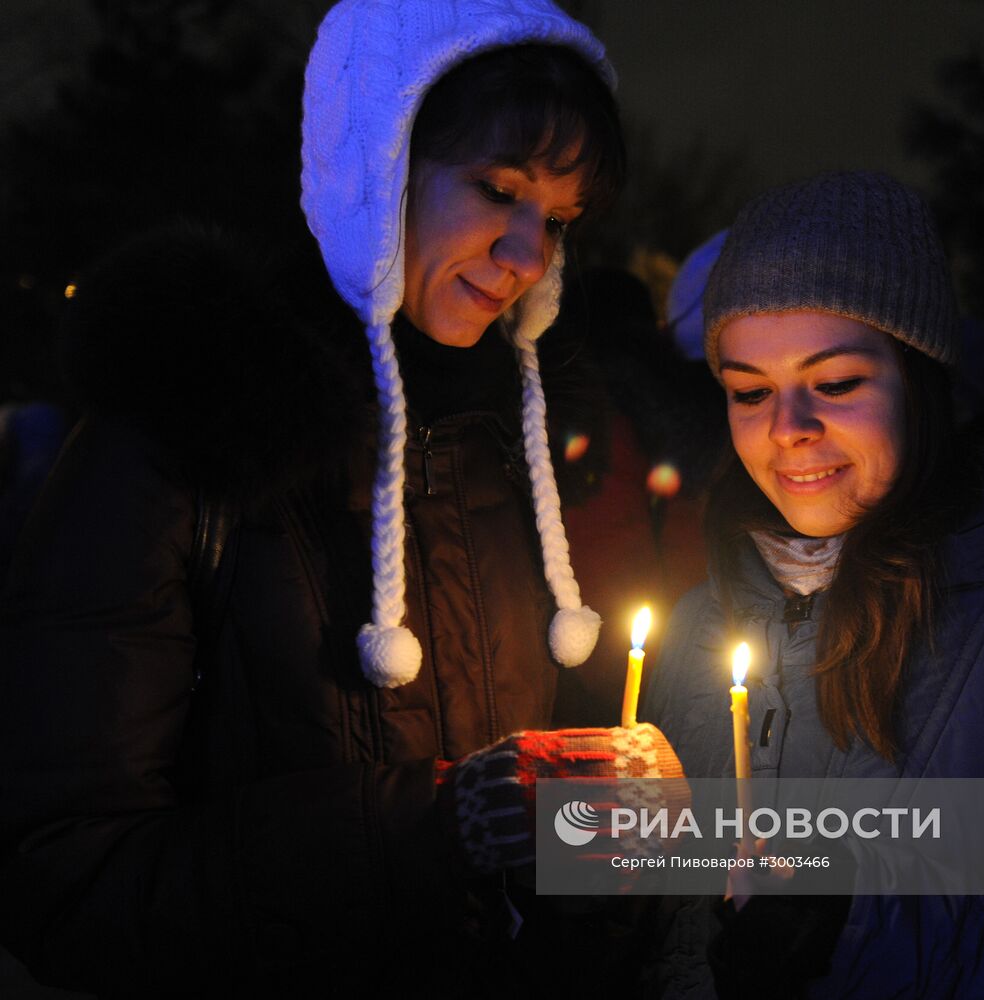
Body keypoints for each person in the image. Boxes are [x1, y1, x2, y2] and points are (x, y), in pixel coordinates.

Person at [0, 1, 684, 995]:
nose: (530, 254)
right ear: (376, 167)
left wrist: (622, 838)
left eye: (560, 219)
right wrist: (433, 821)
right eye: (498, 190)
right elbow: (64, 876)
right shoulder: (186, 433)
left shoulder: (531, 450)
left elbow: (564, 836)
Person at [645, 171, 984, 998]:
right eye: (749, 391)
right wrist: (557, 865)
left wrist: (855, 925)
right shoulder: (695, 625)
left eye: (835, 384)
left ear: (919, 380)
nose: (789, 429)